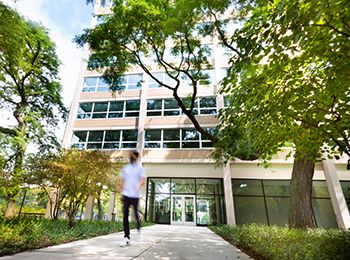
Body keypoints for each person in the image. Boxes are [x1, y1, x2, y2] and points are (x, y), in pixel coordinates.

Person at [120, 151, 145, 247]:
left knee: (135, 215)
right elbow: (122, 180)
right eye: (130, 156)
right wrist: (122, 193)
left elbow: (143, 179)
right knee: (125, 215)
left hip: (135, 195)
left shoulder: (140, 169)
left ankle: (139, 231)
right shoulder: (126, 168)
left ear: (136, 157)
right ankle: (126, 237)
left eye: (132, 156)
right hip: (126, 195)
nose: (130, 157)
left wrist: (139, 186)